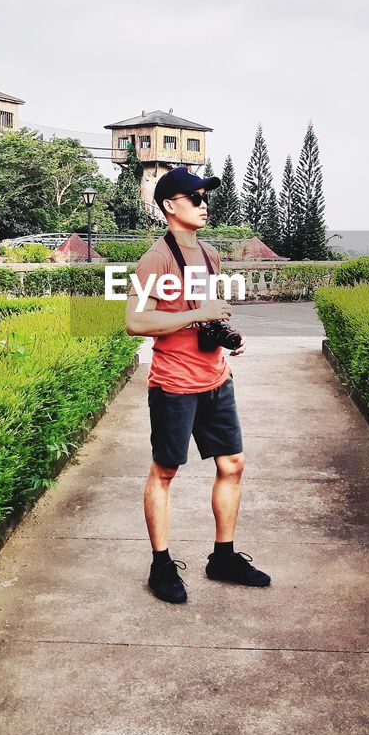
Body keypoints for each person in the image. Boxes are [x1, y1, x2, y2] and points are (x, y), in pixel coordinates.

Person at [125, 167, 270, 604]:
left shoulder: (209, 255)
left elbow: (202, 313)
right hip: (174, 384)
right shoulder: (156, 259)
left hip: (215, 379)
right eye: (194, 197)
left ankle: (222, 558)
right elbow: (136, 320)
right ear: (170, 206)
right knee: (165, 472)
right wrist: (194, 315)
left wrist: (227, 337)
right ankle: (161, 565)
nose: (203, 203)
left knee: (233, 465)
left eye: (204, 196)